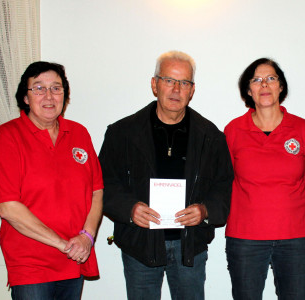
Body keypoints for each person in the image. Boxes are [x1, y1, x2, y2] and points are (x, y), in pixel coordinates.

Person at [99, 50, 233, 300]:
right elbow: (103, 183)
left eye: (184, 83)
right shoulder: (122, 133)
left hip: (189, 246)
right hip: (140, 244)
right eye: (169, 80)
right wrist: (130, 209)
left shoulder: (211, 137)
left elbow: (224, 186)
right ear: (154, 84)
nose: (176, 89)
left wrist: (205, 211)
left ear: (192, 90)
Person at [0, 61, 104, 300]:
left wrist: (87, 237)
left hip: (74, 259)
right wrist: (63, 245)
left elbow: (96, 191)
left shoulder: (79, 133)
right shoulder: (7, 136)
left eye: (56, 88)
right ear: (26, 97)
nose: (49, 96)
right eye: (38, 88)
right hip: (32, 265)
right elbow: (7, 207)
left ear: (65, 95)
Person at [224, 58, 305, 300]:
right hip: (245, 238)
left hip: (295, 238)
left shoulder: (304, 130)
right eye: (256, 80)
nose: (264, 84)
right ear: (248, 90)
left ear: (281, 87)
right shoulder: (233, 131)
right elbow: (225, 182)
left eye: (271, 78)